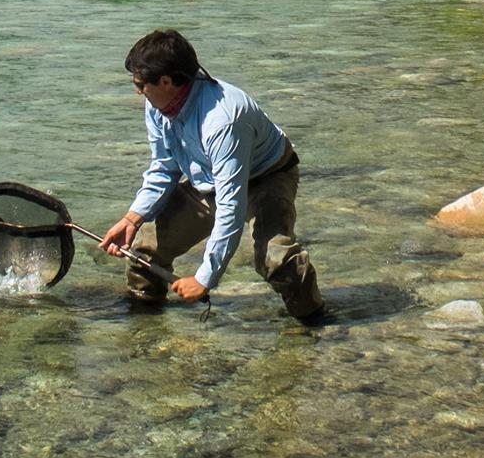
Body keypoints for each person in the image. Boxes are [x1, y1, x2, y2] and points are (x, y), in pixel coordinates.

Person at [100, 29, 325, 322]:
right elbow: (164, 167)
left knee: (276, 260)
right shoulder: (157, 105)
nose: (138, 91)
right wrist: (133, 218)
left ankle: (316, 323)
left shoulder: (223, 120)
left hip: (266, 176)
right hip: (207, 181)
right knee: (145, 249)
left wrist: (206, 277)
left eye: (141, 84)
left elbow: (231, 207)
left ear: (166, 82)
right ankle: (144, 324)